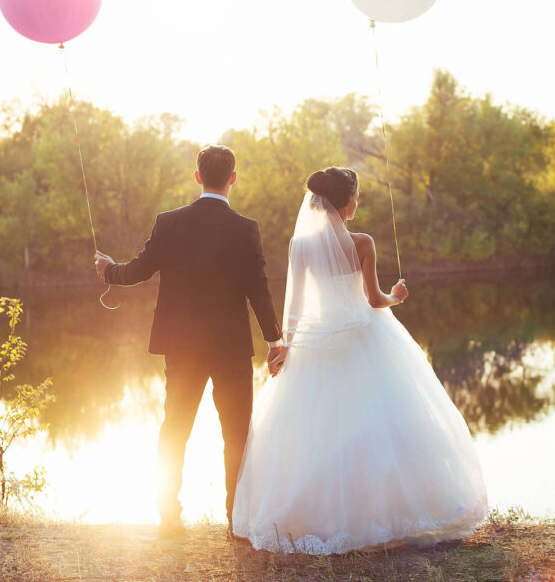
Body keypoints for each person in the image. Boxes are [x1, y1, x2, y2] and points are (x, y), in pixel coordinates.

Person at [230, 166, 489, 554]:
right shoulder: (363, 242)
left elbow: (295, 308)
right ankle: (386, 514)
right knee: (381, 422)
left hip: (316, 339)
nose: (357, 202)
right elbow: (373, 300)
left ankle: (322, 515)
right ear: (346, 204)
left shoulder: (300, 246)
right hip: (365, 335)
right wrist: (397, 296)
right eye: (356, 197)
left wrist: (285, 347)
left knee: (317, 427)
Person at [94, 145, 283, 539]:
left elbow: (140, 270)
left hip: (181, 347)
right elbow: (258, 289)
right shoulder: (245, 228)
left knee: (175, 428)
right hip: (231, 348)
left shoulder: (170, 222)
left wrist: (109, 271)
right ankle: (236, 521)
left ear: (197, 177)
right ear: (233, 178)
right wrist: (275, 340)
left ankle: (169, 518)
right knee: (236, 434)